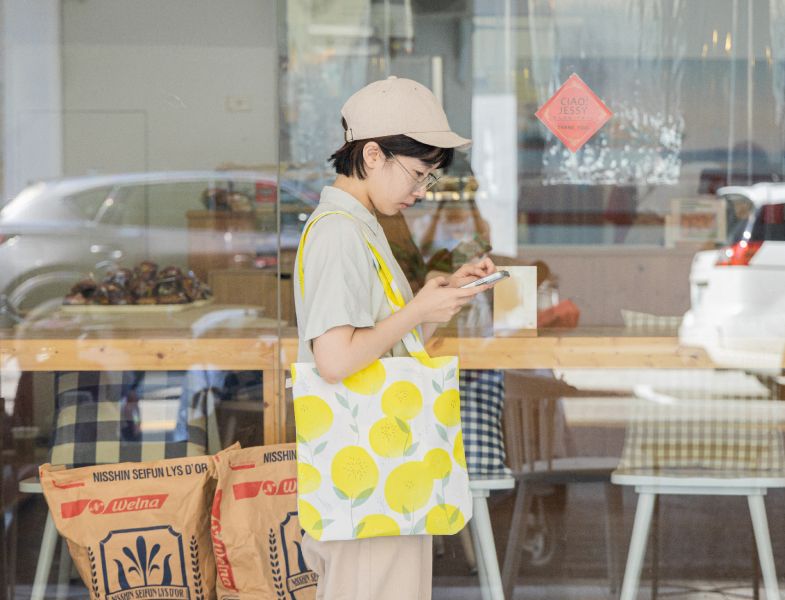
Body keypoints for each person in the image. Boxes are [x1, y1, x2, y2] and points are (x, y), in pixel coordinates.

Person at [293, 76, 497, 599]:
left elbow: (379, 345)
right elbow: (335, 359)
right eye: (418, 174)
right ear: (373, 154)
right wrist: (417, 311)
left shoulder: (358, 224)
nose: (420, 191)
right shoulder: (340, 231)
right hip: (370, 479)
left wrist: (438, 300)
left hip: (374, 475)